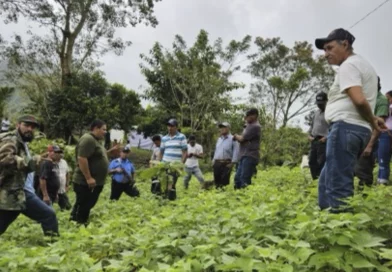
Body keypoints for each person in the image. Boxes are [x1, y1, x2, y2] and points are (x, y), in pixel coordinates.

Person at [315, 28, 383, 212]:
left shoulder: (348, 65)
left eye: (329, 48)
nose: (326, 54)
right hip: (355, 129)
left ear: (344, 44)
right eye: (324, 50)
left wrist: (371, 119)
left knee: (338, 184)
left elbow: (359, 100)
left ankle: (339, 228)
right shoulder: (362, 64)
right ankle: (324, 219)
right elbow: (362, 102)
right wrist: (373, 120)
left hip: (345, 128)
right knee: (326, 179)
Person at [0, 115, 58, 236]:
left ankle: (54, 245)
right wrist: (33, 161)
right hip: (13, 191)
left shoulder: (23, 142)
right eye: (26, 125)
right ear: (17, 125)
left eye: (32, 127)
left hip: (20, 191)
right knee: (48, 215)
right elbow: (5, 159)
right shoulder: (11, 139)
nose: (29, 129)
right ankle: (54, 246)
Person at [71, 119, 116, 225]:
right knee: (84, 204)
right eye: (103, 129)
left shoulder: (96, 141)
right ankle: (80, 224)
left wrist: (110, 152)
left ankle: (75, 220)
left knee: (85, 203)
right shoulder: (88, 139)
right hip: (85, 182)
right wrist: (88, 178)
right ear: (96, 128)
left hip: (95, 182)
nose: (105, 132)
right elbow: (82, 158)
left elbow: (98, 156)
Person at [355, 77, 389, 188]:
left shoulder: (381, 100)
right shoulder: (367, 98)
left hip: (370, 139)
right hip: (359, 136)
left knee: (364, 172)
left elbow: (379, 125)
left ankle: (364, 199)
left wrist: (370, 145)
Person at [159, 119, 187, 200]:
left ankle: (169, 200)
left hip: (175, 166)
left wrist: (181, 165)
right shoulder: (164, 138)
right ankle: (168, 199)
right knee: (163, 182)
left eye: (172, 126)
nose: (170, 128)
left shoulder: (181, 137)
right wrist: (159, 163)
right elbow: (161, 152)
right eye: (168, 126)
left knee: (171, 183)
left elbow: (185, 152)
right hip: (164, 164)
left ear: (176, 127)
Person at [233, 109, 261, 189]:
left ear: (254, 116)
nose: (246, 118)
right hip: (244, 155)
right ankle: (237, 198)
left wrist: (235, 136)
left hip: (250, 155)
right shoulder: (249, 125)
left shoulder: (255, 126)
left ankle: (245, 198)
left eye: (248, 116)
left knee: (244, 179)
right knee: (237, 179)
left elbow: (242, 139)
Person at [308, 92, 329, 180]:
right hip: (314, 140)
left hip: (324, 141)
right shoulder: (316, 113)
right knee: (312, 161)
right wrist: (309, 135)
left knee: (322, 163)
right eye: (318, 104)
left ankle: (322, 181)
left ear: (326, 101)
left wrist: (326, 137)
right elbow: (312, 126)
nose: (319, 106)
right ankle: (315, 180)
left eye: (321, 104)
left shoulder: (330, 113)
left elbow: (334, 127)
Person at [212, 122, 239, 189]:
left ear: (228, 128)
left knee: (224, 183)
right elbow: (216, 151)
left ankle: (223, 196)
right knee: (217, 182)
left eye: (224, 127)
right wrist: (213, 161)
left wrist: (232, 163)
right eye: (221, 127)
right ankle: (217, 197)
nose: (222, 129)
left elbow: (236, 151)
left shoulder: (233, 139)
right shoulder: (219, 139)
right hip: (217, 163)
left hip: (227, 163)